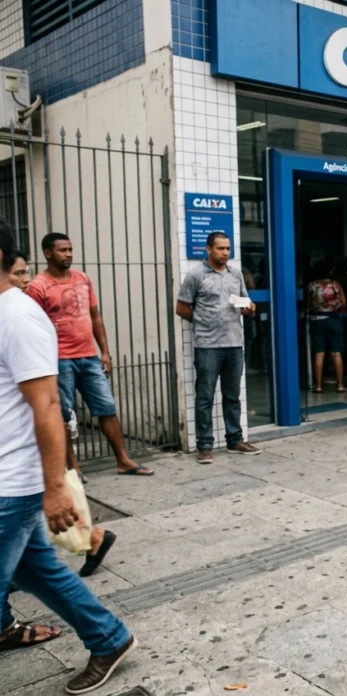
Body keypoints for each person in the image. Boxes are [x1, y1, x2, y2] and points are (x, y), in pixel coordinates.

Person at [0, 221, 138, 694]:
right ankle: (108, 637)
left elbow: (48, 405)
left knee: (29, 570)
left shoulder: (17, 314)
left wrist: (57, 485)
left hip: (12, 482)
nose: (69, 252)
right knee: (35, 569)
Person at [11, 249, 115, 575]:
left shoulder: (22, 314)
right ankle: (91, 537)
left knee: (35, 502)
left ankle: (90, 537)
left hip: (24, 425)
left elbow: (47, 402)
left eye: (23, 273)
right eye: (18, 274)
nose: (24, 280)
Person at [26, 234, 153, 477]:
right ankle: (73, 468)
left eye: (70, 249)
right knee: (65, 415)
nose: (68, 254)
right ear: (47, 253)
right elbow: (34, 325)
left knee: (106, 407)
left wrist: (104, 351)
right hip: (58, 359)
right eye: (62, 250)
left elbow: (95, 316)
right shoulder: (38, 286)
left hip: (88, 356)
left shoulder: (82, 279)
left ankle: (123, 460)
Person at [176, 232, 262, 464]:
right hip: (208, 346)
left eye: (227, 249)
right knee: (205, 396)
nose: (225, 253)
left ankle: (235, 439)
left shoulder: (236, 274)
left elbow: (246, 302)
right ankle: (204, 446)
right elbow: (182, 308)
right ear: (208, 249)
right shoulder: (196, 275)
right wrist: (203, 321)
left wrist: (249, 308)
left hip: (234, 344)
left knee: (232, 395)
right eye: (220, 248)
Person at [307, 259, 347, 394]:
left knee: (319, 354)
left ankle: (318, 386)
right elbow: (344, 302)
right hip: (334, 319)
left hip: (317, 320)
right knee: (336, 353)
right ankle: (340, 385)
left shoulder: (312, 285)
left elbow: (309, 304)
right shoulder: (335, 284)